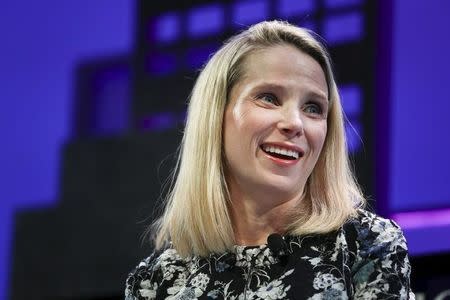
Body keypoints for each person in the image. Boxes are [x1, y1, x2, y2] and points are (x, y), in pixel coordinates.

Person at [125, 20, 414, 299]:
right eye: (269, 98)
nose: (294, 123)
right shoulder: (154, 280)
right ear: (216, 116)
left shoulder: (366, 245)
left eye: (313, 107)